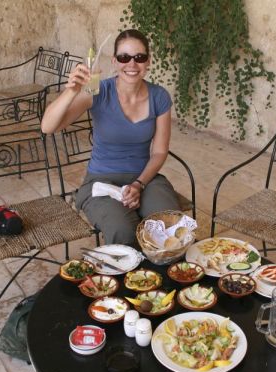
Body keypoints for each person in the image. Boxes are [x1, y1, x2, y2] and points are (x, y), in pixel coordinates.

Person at [41, 29, 180, 245]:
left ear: (148, 61)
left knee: (168, 227)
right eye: (124, 57)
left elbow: (160, 152)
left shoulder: (159, 96)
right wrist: (72, 91)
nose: (132, 64)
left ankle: (160, 274)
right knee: (124, 232)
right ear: (115, 62)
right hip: (101, 181)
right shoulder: (98, 90)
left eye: (139, 57)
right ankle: (127, 275)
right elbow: (48, 127)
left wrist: (138, 184)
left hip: (145, 178)